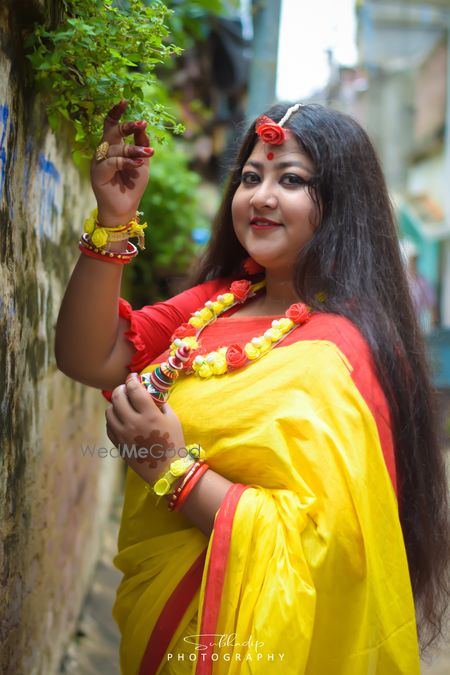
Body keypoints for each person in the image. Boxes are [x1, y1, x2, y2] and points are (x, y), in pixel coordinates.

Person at [55, 100, 449, 674]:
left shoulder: (348, 352)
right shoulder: (216, 304)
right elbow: (87, 357)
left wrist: (170, 467)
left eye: (290, 179)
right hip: (164, 626)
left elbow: (330, 546)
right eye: (249, 177)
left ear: (341, 203)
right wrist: (114, 220)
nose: (261, 196)